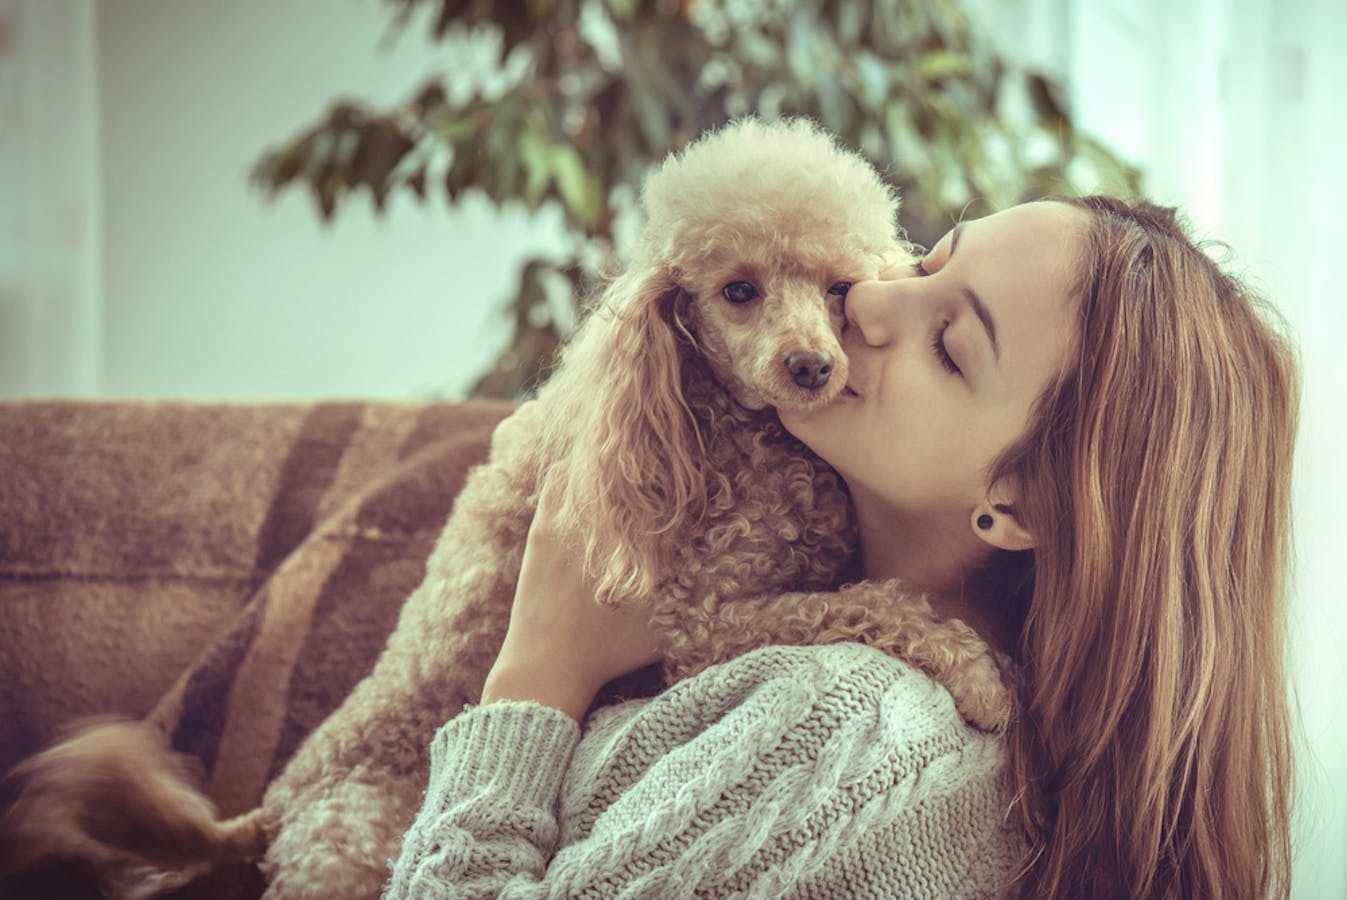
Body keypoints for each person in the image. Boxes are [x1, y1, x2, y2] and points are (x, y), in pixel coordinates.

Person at [384, 197, 1297, 899]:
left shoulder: (848, 733)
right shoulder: (958, 725)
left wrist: (539, 671)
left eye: (947, 343)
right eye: (928, 258)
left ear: (1021, 505)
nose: (866, 300)